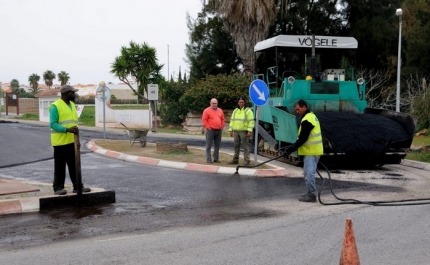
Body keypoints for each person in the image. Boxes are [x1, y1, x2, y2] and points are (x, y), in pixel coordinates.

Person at [49, 85, 91, 195]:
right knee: (60, 167)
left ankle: (78, 187)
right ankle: (58, 188)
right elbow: (53, 124)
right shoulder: (55, 106)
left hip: (72, 142)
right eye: (73, 92)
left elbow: (73, 124)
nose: (74, 94)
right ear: (67, 93)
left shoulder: (72, 105)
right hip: (60, 142)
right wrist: (67, 130)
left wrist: (77, 140)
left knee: (75, 166)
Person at [284, 99, 323, 202]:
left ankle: (311, 195)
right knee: (308, 173)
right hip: (312, 151)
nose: (297, 112)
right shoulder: (309, 116)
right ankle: (310, 193)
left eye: (298, 109)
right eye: (296, 110)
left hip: (311, 151)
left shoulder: (307, 119)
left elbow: (303, 138)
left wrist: (292, 148)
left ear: (304, 107)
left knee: (309, 174)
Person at [228, 97, 255, 165]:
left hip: (244, 131)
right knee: (236, 146)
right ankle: (235, 160)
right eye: (240, 102)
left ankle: (246, 161)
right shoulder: (235, 111)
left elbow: (251, 121)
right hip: (236, 131)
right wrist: (230, 130)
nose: (241, 103)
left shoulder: (248, 111)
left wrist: (249, 131)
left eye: (242, 102)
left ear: (244, 103)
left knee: (245, 146)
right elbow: (232, 121)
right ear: (238, 103)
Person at [202, 98, 225, 163]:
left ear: (217, 104)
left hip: (218, 130)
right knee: (208, 145)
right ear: (210, 103)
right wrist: (208, 127)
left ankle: (216, 159)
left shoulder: (220, 110)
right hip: (210, 130)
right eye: (213, 103)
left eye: (215, 103)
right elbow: (204, 120)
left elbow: (222, 119)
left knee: (217, 145)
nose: (214, 105)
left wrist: (222, 126)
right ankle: (208, 159)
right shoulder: (206, 110)